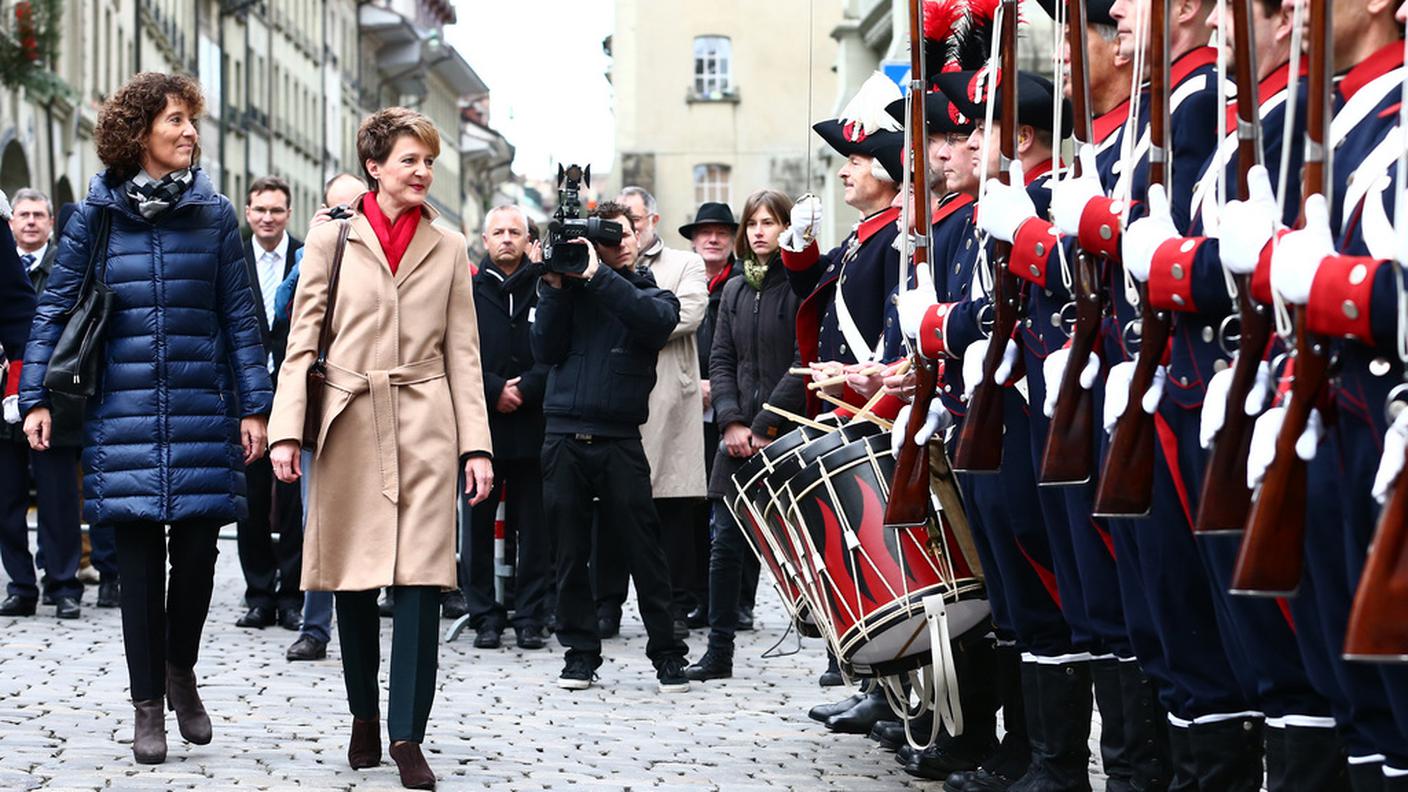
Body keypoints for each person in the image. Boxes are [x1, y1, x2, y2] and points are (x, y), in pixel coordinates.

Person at [18, 72, 273, 765]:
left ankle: (181, 671)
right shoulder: (92, 217)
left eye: (191, 120)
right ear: (139, 134)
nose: (189, 131)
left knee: (195, 563)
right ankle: (146, 708)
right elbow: (53, 309)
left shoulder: (216, 215)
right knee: (135, 569)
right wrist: (36, 396)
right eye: (175, 121)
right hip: (120, 412)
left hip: (200, 408)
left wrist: (256, 406)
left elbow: (241, 316)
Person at [269, 106, 493, 790]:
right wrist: (285, 429)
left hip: (426, 422)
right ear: (375, 166)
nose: (423, 171)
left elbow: (464, 352)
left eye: (428, 161)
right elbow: (302, 339)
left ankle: (406, 736)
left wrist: (476, 447)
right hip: (347, 420)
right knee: (354, 577)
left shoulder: (451, 244)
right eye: (410, 160)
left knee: (423, 577)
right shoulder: (330, 238)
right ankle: (363, 713)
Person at [531, 200, 691, 693]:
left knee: (645, 549)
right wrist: (554, 285)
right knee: (568, 550)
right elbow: (545, 350)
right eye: (608, 234)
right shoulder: (569, 289)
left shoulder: (647, 290)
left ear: (637, 239)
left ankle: (668, 653)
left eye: (624, 233)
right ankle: (580, 653)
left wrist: (601, 275)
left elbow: (654, 321)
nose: (618, 241)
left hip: (619, 437)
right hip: (563, 433)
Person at [684, 189, 805, 682]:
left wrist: (764, 427)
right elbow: (721, 359)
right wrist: (731, 422)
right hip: (734, 435)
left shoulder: (801, 285)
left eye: (769, 222)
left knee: (808, 546)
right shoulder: (732, 289)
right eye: (753, 223)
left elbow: (803, 361)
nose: (758, 231)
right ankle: (719, 650)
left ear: (787, 229)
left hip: (787, 431)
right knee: (725, 545)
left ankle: (842, 657)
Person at [594, 186, 709, 640]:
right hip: (615, 397)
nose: (627, 232)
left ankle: (676, 606)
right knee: (609, 508)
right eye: (618, 225)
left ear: (652, 222)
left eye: (635, 222)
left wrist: (633, 314)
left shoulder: (685, 263)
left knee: (672, 509)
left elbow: (688, 314)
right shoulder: (598, 264)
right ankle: (606, 605)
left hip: (667, 397)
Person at [278, 171, 368, 663]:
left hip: (375, 399)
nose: (345, 218)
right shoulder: (314, 249)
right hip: (323, 400)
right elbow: (281, 313)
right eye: (336, 209)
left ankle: (371, 612)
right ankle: (315, 627)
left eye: (352, 207)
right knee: (317, 516)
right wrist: (312, 245)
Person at [464, 203, 553, 651]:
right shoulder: (468, 290)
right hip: (482, 425)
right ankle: (484, 614)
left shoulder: (546, 288)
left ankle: (532, 615)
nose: (505, 239)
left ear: (526, 239)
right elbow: (454, 354)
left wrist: (530, 386)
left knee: (534, 528)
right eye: (497, 231)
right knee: (476, 526)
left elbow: (557, 346)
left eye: (514, 231)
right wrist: (494, 387)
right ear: (485, 240)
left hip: (534, 424)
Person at [1, 188, 85, 619]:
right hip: (2, 393)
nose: (31, 221)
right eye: (23, 214)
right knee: (7, 498)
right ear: (11, 221)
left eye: (39, 214)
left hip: (50, 394)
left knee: (58, 497)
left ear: (51, 222)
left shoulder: (66, 265)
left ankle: (63, 583)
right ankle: (20, 584)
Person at [681, 201, 755, 630]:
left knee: (737, 509)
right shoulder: (682, 282)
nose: (713, 239)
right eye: (705, 232)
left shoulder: (744, 281)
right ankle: (698, 596)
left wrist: (721, 391)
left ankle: (739, 599)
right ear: (692, 239)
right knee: (692, 507)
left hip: (732, 408)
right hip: (690, 409)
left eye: (722, 232)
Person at [235, 175, 305, 631]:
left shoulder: (305, 255)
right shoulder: (233, 256)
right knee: (251, 498)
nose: (267, 218)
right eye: (260, 209)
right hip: (245, 392)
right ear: (248, 211)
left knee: (297, 497)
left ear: (288, 214)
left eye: (276, 210)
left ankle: (293, 593)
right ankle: (259, 593)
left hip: (295, 391)